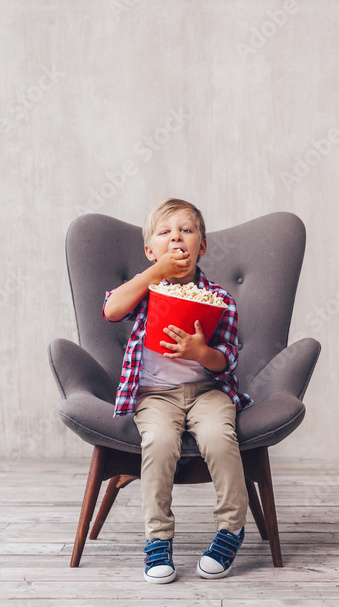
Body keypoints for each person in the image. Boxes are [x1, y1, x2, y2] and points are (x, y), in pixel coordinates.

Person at [102, 198, 252, 584]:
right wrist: (154, 274)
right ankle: (157, 537)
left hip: (207, 391)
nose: (176, 238)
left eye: (186, 231)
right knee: (159, 442)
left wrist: (202, 352)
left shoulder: (219, 300)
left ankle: (231, 528)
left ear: (202, 245)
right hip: (154, 395)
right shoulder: (146, 292)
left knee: (220, 438)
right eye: (165, 232)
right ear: (151, 250)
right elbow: (112, 310)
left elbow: (227, 359)